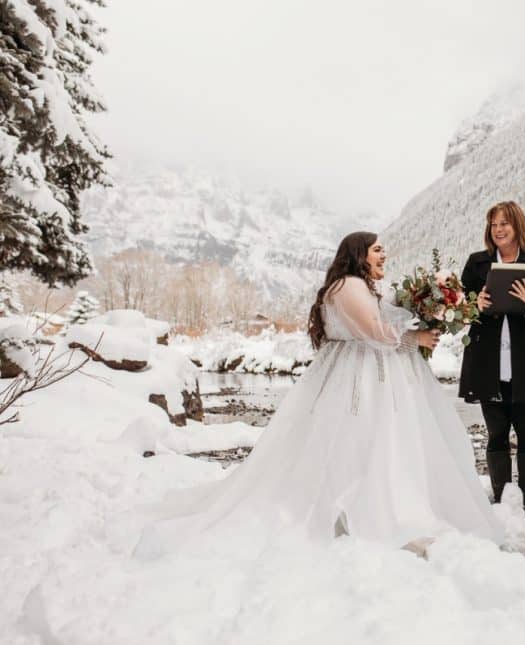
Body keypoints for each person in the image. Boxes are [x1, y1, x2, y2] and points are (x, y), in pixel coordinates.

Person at [136, 232, 501, 557]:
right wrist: (414, 338)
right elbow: (373, 331)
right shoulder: (347, 287)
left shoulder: (365, 286)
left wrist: (431, 314)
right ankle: (357, 507)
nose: (383, 255)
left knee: (381, 440)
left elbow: (386, 321)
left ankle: (381, 500)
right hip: (357, 375)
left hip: (376, 372)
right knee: (359, 439)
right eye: (377, 250)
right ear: (358, 254)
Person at [459, 201, 525, 525]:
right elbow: (460, 307)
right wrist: (473, 303)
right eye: (494, 224)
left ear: (518, 225)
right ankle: (502, 499)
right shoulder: (477, 264)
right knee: (496, 434)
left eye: (505, 223)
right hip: (487, 362)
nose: (499, 229)